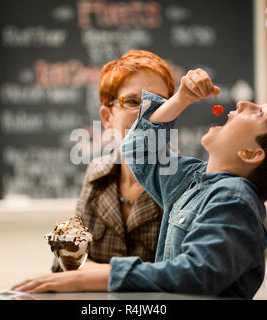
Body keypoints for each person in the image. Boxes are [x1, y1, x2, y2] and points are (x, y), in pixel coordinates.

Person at [12, 68, 267, 299]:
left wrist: (96, 276)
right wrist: (181, 98)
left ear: (252, 153)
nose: (242, 105)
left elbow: (194, 274)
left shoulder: (235, 200)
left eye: (257, 113)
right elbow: (138, 150)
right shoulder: (194, 179)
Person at [50, 50, 176, 272]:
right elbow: (67, 263)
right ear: (107, 118)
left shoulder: (185, 182)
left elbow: (186, 276)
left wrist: (97, 272)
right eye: (132, 101)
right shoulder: (97, 175)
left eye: (158, 102)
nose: (145, 113)